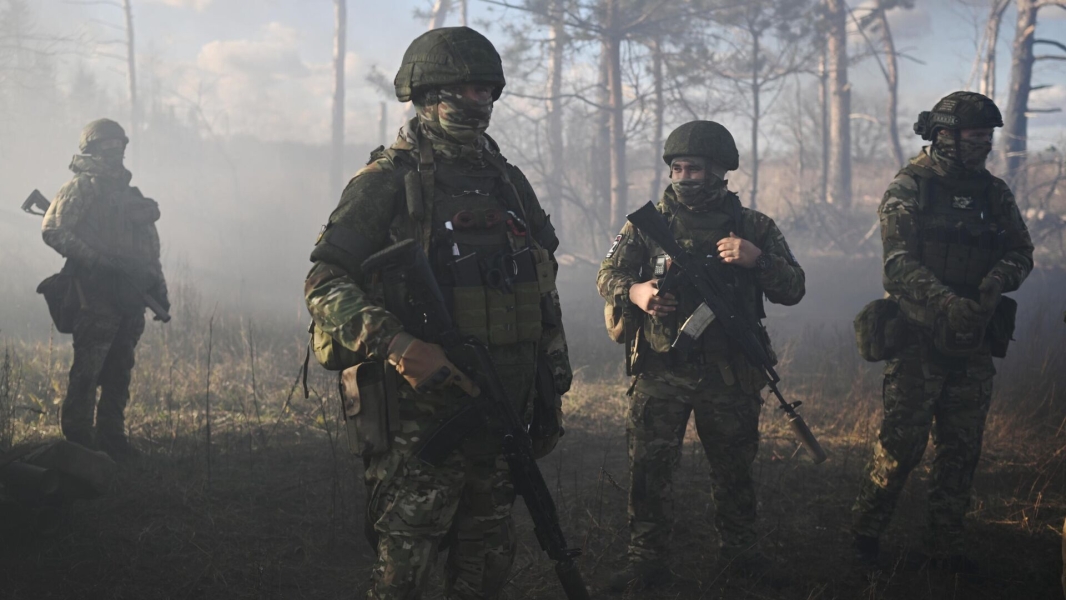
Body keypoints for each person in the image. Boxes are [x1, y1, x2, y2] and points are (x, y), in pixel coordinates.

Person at [303, 27, 571, 600]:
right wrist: (400, 347)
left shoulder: (509, 184)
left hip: (502, 405)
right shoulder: (386, 182)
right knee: (408, 569)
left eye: (488, 92)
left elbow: (541, 284)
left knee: (488, 562)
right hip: (423, 418)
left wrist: (550, 382)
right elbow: (323, 282)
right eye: (466, 90)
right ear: (427, 97)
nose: (481, 103)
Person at [597, 120, 805, 591]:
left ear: (719, 171)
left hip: (729, 376)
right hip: (660, 370)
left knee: (734, 470)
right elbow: (606, 274)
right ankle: (645, 560)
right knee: (650, 470)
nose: (685, 177)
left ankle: (740, 553)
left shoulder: (754, 226)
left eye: (695, 168)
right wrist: (636, 292)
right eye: (678, 168)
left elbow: (795, 288)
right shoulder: (646, 225)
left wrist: (760, 260)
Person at [851, 91, 1034, 573]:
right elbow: (897, 266)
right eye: (975, 138)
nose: (983, 147)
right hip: (918, 337)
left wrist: (996, 282)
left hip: (973, 340)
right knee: (900, 448)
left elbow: (1021, 251)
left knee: (961, 450)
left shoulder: (994, 193)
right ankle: (865, 531)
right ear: (944, 137)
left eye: (987, 139)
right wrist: (947, 302)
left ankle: (943, 547)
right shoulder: (909, 187)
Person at [41, 118, 169, 460]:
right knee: (87, 372)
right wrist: (96, 259)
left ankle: (112, 438)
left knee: (119, 371)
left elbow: (150, 248)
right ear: (93, 149)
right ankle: (79, 445)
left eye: (120, 146)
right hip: (93, 295)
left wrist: (158, 287)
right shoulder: (81, 187)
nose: (116, 152)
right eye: (108, 146)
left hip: (128, 297)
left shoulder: (131, 196)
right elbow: (53, 230)